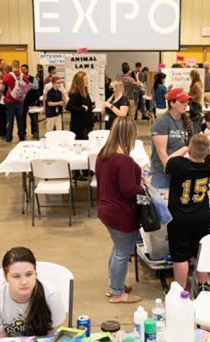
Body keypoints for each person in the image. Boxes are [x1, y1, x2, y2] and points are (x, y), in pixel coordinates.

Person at [96, 118, 143, 304]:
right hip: (121, 213)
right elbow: (129, 190)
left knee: (118, 250)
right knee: (122, 253)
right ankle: (117, 293)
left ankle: (114, 285)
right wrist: (143, 187)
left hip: (106, 208)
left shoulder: (103, 154)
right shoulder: (123, 161)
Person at [166, 134, 210, 292]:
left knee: (180, 256)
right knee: (200, 251)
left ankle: (180, 290)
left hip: (179, 217)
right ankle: (203, 284)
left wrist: (185, 148)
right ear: (208, 151)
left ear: (190, 149)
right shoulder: (209, 163)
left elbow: (168, 161)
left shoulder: (179, 165)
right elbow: (204, 153)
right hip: (201, 215)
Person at [0, 247, 67, 338]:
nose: (24, 282)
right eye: (16, 276)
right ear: (5, 277)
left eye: (29, 274)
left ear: (36, 273)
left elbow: (54, 338)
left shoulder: (51, 295)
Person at [150, 88, 193, 189]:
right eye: (182, 102)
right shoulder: (162, 121)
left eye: (186, 101)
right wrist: (170, 170)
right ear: (172, 103)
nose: (185, 104)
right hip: (163, 174)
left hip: (180, 172)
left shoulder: (186, 121)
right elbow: (161, 152)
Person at [2, 62, 30, 142]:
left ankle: (9, 137)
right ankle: (21, 137)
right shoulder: (23, 76)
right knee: (20, 119)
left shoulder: (7, 76)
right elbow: (28, 88)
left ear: (12, 66)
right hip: (20, 101)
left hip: (9, 100)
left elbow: (2, 88)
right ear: (19, 66)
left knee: (10, 120)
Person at [65, 71, 94, 140]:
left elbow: (84, 104)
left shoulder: (84, 92)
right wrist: (82, 109)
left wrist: (91, 105)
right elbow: (69, 107)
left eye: (87, 79)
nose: (87, 81)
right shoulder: (76, 94)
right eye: (85, 80)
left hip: (86, 124)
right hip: (80, 126)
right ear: (80, 82)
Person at [21, 64, 41, 139]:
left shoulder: (33, 78)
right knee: (22, 118)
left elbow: (36, 86)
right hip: (22, 101)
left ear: (27, 69)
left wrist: (27, 83)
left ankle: (35, 132)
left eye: (24, 69)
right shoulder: (19, 79)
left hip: (32, 101)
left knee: (34, 118)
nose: (23, 71)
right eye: (22, 69)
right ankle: (23, 132)